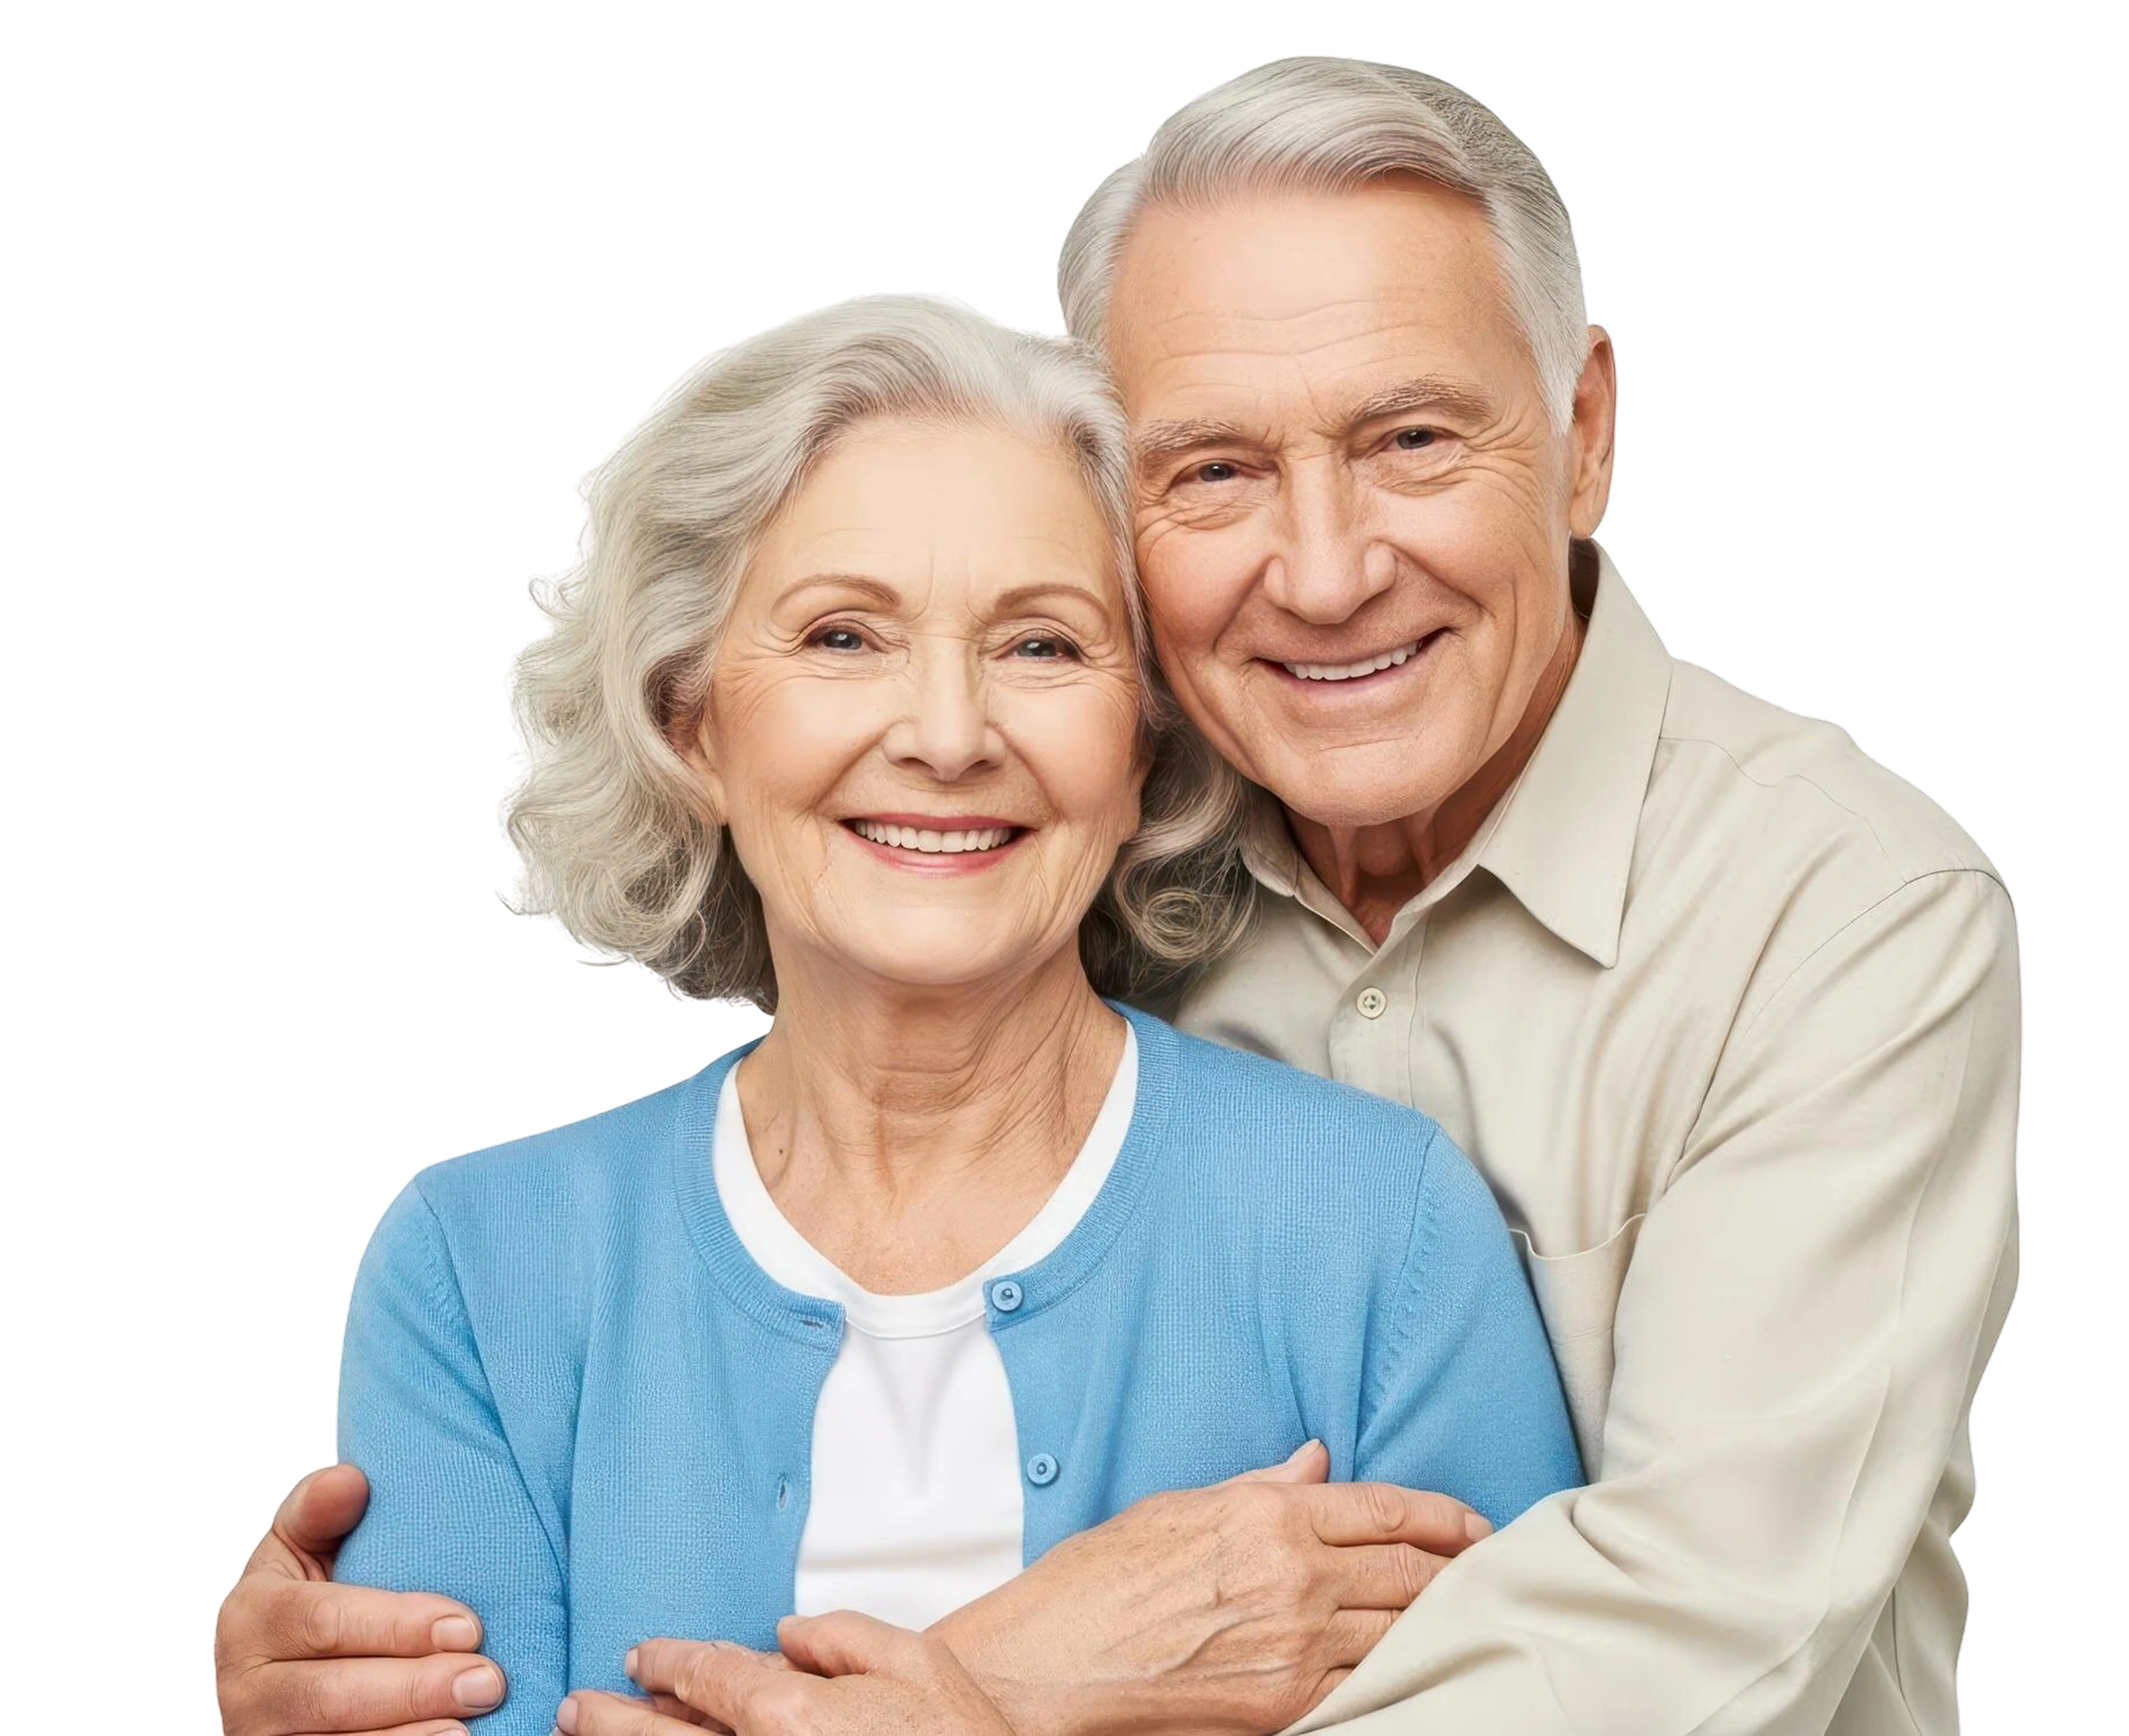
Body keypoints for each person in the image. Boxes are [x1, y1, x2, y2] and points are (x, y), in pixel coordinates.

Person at [212, 56, 2021, 1736]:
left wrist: (990, 1713)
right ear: (693, 720)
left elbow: (1706, 1620)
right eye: (1217, 468)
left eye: (1411, 440)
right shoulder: (487, 1258)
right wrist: (1001, 1673)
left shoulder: (1842, 918)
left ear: (1585, 430)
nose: (1321, 575)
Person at [267, 288, 1580, 1736]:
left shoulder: (1379, 1230)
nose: (950, 735)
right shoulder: (474, 1270)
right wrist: (1031, 1673)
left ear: (1142, 740)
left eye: (1041, 647)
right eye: (842, 637)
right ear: (689, 719)